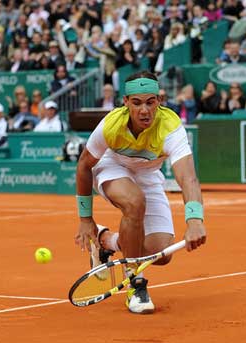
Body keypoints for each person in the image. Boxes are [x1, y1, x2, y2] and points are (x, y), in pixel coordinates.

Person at [74, 71, 206, 314]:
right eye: (136, 103)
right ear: (125, 102)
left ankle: (107, 242)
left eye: (150, 102)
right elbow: (84, 164)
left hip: (148, 175)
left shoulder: (170, 126)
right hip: (111, 167)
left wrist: (195, 219)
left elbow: (188, 177)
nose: (144, 110)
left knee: (161, 253)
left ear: (159, 101)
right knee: (134, 202)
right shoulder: (112, 125)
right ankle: (135, 284)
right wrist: (85, 219)